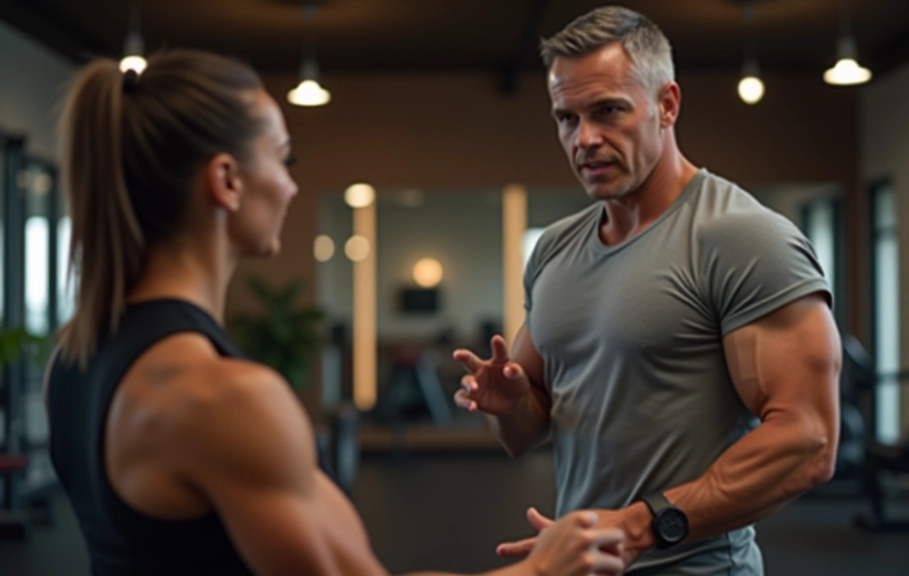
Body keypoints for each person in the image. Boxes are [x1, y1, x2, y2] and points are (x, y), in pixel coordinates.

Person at [44, 49, 626, 576]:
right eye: (284, 159)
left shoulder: (71, 363)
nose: (292, 187)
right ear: (226, 181)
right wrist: (542, 570)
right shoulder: (224, 399)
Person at [453, 6, 841, 575]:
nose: (584, 139)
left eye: (608, 111)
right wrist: (510, 407)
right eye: (566, 118)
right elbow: (526, 430)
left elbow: (807, 441)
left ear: (667, 105)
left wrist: (636, 528)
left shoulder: (741, 237)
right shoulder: (555, 249)